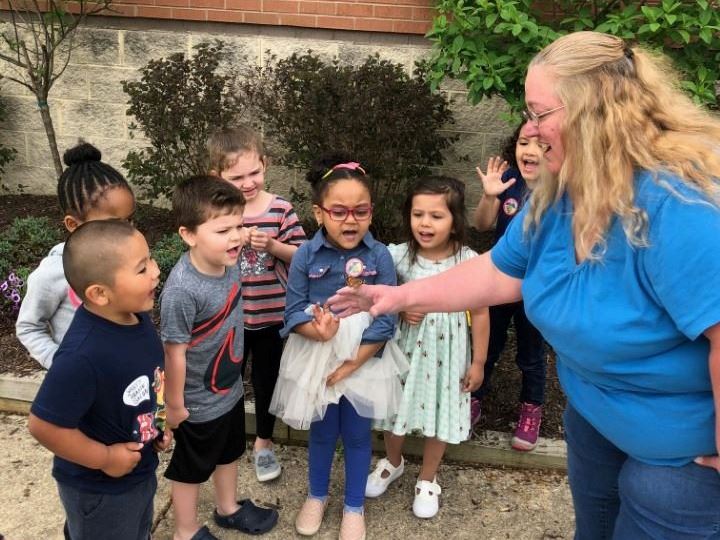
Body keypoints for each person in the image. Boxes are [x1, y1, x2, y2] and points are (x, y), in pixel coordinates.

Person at [329, 31, 720, 538]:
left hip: (680, 461)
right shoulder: (561, 190)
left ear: (594, 110)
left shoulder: (680, 205)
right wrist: (400, 296)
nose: (530, 132)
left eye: (540, 114)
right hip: (595, 419)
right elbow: (500, 271)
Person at [269, 154, 406, 540]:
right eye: (340, 211)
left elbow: (386, 316)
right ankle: (317, 495)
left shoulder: (378, 255)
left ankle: (354, 506)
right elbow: (293, 312)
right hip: (317, 353)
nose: (350, 220)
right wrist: (320, 334)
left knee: (359, 434)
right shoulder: (307, 256)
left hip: (365, 356)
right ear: (319, 213)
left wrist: (352, 363)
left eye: (360, 211)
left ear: (371, 212)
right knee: (323, 431)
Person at [28, 219, 171, 540]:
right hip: (99, 488)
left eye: (150, 258)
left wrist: (161, 422)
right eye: (141, 268)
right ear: (100, 293)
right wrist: (105, 458)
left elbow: (153, 376)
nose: (156, 270)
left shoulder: (137, 318)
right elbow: (43, 425)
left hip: (138, 471)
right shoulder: (83, 355)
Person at [160, 176, 278, 540]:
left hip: (228, 391)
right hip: (195, 402)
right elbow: (174, 352)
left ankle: (227, 508)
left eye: (240, 225)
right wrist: (175, 406)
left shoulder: (229, 266)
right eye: (223, 229)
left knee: (229, 452)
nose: (237, 237)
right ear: (189, 234)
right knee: (191, 468)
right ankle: (184, 529)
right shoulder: (181, 290)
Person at [364, 176, 488, 518]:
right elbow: (378, 296)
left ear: (455, 220)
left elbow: (479, 312)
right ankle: (392, 461)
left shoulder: (467, 261)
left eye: (436, 216)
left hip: (447, 357)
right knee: (393, 408)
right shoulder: (397, 256)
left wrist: (478, 362)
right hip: (403, 350)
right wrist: (402, 306)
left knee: (440, 411)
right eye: (418, 214)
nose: (425, 223)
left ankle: (428, 478)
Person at [208, 126, 306, 482]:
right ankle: (229, 441)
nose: (248, 183)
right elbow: (205, 257)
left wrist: (274, 246)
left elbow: (303, 258)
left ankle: (263, 442)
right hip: (229, 319)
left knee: (267, 383)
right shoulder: (216, 213)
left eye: (254, 172)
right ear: (217, 176)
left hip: (271, 318)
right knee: (226, 381)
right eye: (237, 177)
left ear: (265, 164)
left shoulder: (281, 209)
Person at [16, 142, 135, 369]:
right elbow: (29, 327)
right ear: (73, 224)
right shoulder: (53, 273)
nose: (126, 232)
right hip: (84, 386)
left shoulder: (130, 258)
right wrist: (62, 364)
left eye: (129, 220)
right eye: (111, 225)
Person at [472, 125, 547, 451]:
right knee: (488, 344)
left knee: (532, 354)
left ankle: (531, 409)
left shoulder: (561, 188)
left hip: (537, 287)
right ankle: (474, 399)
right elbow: (482, 225)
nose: (530, 150)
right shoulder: (509, 182)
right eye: (524, 142)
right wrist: (490, 195)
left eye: (542, 144)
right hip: (500, 281)